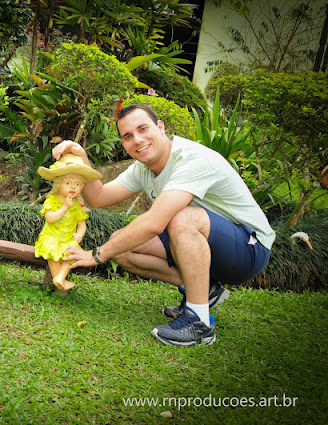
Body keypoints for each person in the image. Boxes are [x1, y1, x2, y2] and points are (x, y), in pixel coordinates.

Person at [54, 104, 275, 346]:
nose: (137, 140)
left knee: (183, 218)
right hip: (211, 246)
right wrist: (82, 159)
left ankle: (198, 323)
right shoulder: (143, 169)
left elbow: (154, 223)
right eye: (128, 136)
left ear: (160, 127)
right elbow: (99, 197)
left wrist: (97, 254)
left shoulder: (191, 159)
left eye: (143, 129)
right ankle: (206, 290)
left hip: (248, 249)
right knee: (122, 244)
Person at [34, 154, 101, 292]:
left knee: (73, 252)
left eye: (77, 184)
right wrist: (65, 207)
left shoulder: (77, 206)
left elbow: (81, 224)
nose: (73, 187)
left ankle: (59, 278)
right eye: (68, 183)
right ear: (58, 184)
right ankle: (59, 279)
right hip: (50, 236)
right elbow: (50, 218)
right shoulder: (52, 200)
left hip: (67, 240)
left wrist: (80, 234)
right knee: (51, 248)